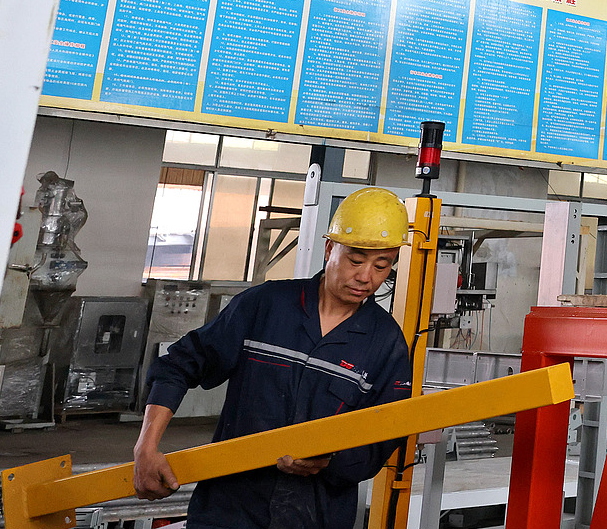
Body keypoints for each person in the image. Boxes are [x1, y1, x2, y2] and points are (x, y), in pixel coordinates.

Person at [131, 188, 416, 529]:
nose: (366, 277)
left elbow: (384, 435)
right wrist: (146, 447)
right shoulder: (265, 306)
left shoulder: (386, 344)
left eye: (381, 266)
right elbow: (179, 364)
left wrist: (329, 460)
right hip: (228, 511)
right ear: (330, 249)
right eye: (355, 260)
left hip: (315, 517)